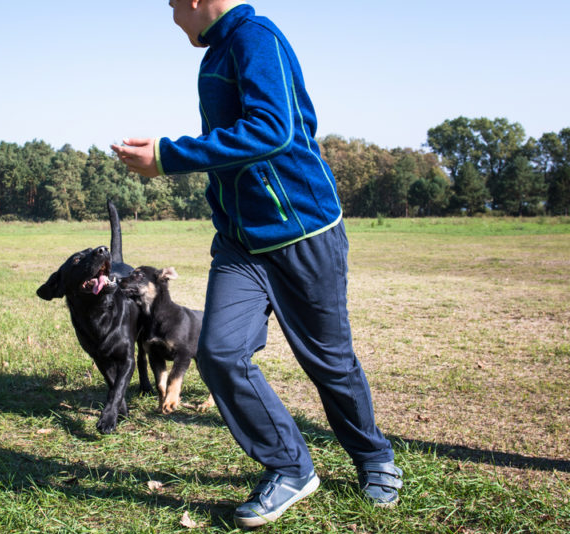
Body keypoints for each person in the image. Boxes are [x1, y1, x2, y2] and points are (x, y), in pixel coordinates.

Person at [112, 0, 402, 528]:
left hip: (301, 232)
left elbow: (274, 130)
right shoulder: (217, 52)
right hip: (240, 244)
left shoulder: (255, 37)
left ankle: (374, 457)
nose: (172, 13)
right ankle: (290, 466)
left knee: (328, 361)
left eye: (172, 2)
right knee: (219, 353)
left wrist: (170, 156)